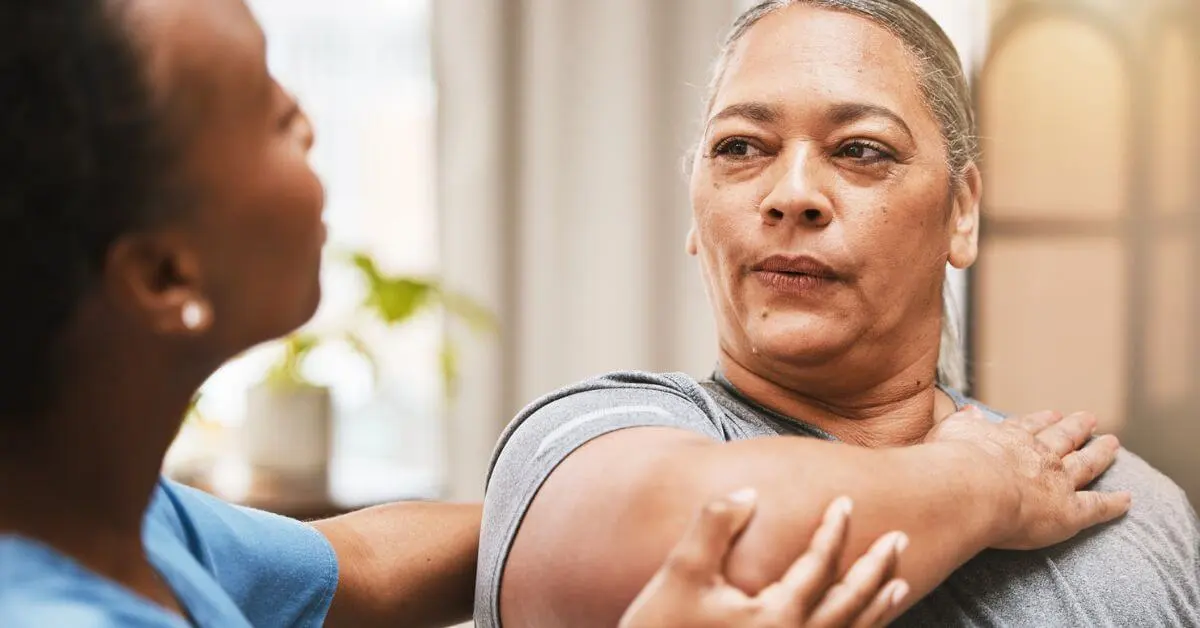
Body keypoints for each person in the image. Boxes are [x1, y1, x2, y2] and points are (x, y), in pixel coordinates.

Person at [0, 1, 913, 626]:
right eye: (268, 114)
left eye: (863, 149)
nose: (309, 122)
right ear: (164, 275)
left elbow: (357, 564)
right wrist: (977, 481)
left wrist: (579, 499)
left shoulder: (135, 524)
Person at [478, 1, 1200, 626]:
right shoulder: (580, 439)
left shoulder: (1125, 502)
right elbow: (708, 540)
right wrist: (988, 485)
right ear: (695, 213)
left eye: (860, 149)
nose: (792, 194)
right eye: (740, 147)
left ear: (962, 213)